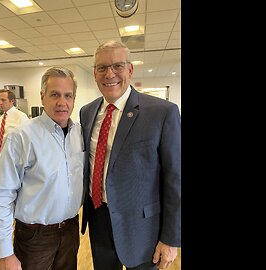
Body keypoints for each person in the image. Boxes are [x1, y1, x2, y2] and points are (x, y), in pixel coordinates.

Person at [79, 40, 181, 270]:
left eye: (117, 66)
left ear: (130, 69)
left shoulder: (162, 112)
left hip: (144, 228)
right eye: (102, 68)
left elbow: (176, 179)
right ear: (94, 73)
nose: (109, 74)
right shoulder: (87, 112)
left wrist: (171, 238)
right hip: (99, 219)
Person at [0, 67, 84, 270]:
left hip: (70, 232)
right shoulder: (22, 137)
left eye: (68, 95)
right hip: (34, 237)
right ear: (42, 96)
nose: (62, 102)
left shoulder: (79, 134)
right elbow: (0, 195)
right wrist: (5, 253)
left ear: (74, 99)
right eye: (54, 94)